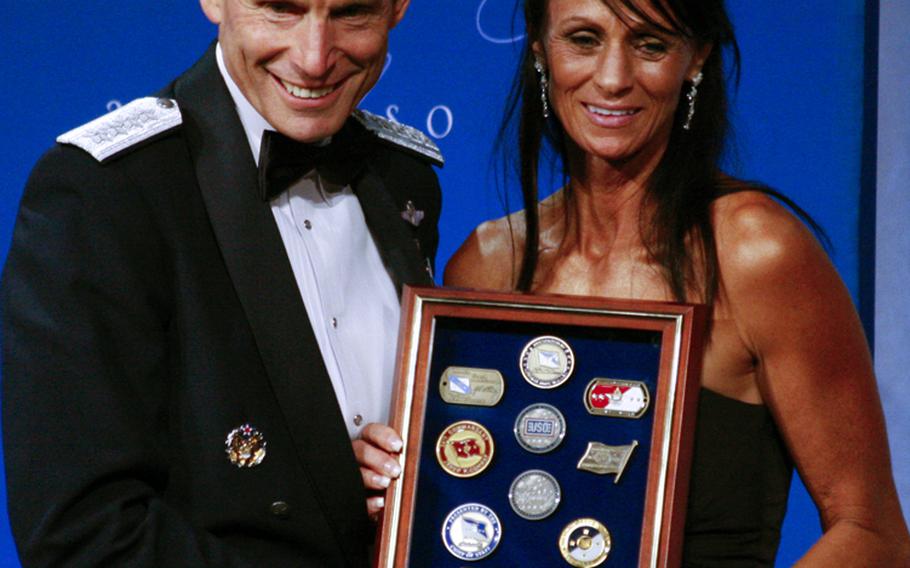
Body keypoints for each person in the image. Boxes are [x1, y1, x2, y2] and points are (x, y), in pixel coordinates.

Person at [444, 0, 910, 565]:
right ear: (542, 53)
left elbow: (872, 532)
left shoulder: (754, 252)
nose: (614, 78)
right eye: (584, 39)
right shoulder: (488, 265)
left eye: (651, 45)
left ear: (696, 59)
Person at [1, 0, 439, 566]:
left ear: (399, 7)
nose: (313, 58)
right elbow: (83, 535)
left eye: (351, 13)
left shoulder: (406, 178)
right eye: (282, 9)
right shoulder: (103, 192)